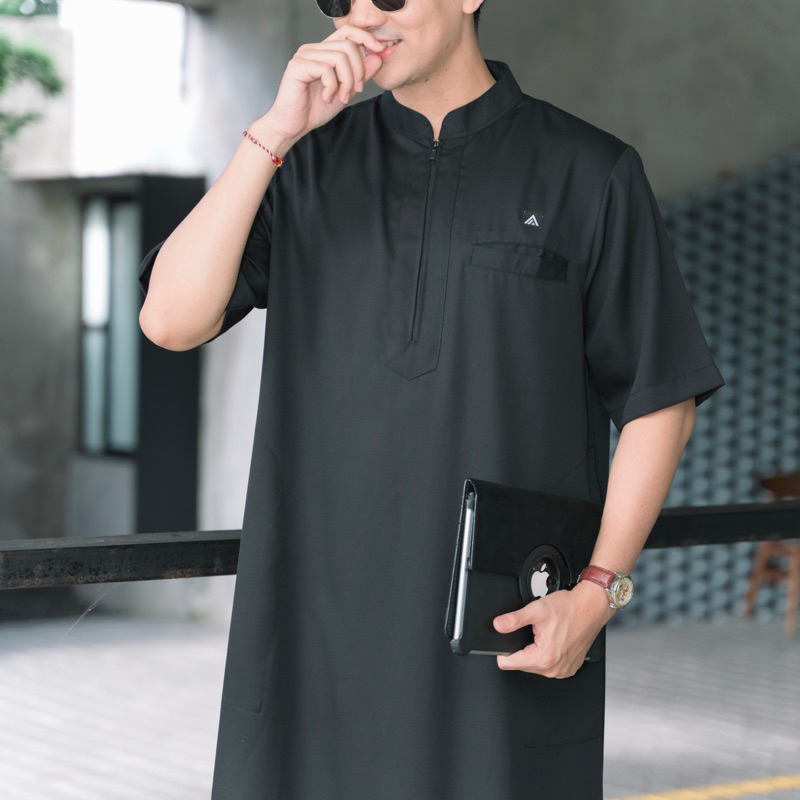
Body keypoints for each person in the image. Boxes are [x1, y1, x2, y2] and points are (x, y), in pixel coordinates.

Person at [138, 0, 725, 797]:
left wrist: (598, 591)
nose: (362, 16)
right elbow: (170, 321)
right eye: (340, 1)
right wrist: (273, 134)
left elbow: (661, 397)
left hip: (499, 642)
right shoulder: (303, 163)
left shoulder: (589, 171)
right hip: (313, 641)